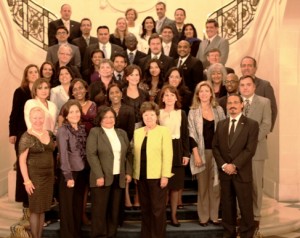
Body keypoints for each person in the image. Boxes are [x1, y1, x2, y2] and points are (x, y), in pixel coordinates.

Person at [212, 93, 259, 238]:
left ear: (241, 105)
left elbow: (250, 150)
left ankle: (246, 234)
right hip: (225, 173)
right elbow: (215, 147)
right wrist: (225, 165)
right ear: (226, 106)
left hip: (242, 172)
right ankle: (229, 232)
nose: (232, 105)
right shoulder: (221, 124)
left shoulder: (251, 124)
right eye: (229, 103)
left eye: (235, 102)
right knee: (227, 205)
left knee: (245, 206)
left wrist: (234, 165)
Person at [86, 106, 133, 238]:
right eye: (105, 117)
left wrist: (128, 172)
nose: (109, 119)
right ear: (100, 119)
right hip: (101, 178)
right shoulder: (95, 132)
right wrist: (99, 175)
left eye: (111, 117)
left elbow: (128, 154)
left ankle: (112, 234)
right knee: (99, 211)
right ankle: (99, 235)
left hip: (118, 177)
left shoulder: (122, 133)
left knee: (114, 210)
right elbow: (91, 154)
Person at [133, 101, 173, 238]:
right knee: (145, 210)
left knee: (157, 210)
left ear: (156, 116)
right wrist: (134, 174)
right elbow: (135, 155)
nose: (148, 117)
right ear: (142, 117)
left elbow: (168, 154)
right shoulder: (137, 132)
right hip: (141, 177)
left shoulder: (164, 131)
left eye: (151, 114)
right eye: (145, 115)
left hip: (157, 177)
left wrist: (165, 175)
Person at [188, 81, 226, 226]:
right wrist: (196, 154)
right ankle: (203, 217)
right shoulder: (193, 111)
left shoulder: (219, 110)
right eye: (201, 91)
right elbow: (191, 134)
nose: (204, 94)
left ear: (211, 93)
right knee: (203, 187)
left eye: (206, 91)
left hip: (218, 153)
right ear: (198, 94)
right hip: (201, 153)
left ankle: (214, 216)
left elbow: (224, 132)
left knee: (216, 186)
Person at [239, 75, 272, 233]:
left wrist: (251, 141)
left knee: (256, 186)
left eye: (248, 85)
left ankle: (256, 216)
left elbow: (266, 125)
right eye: (242, 85)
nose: (245, 88)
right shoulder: (235, 101)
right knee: (240, 184)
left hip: (257, 150)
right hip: (238, 152)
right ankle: (241, 215)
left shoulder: (264, 102)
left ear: (254, 87)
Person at [19, 107, 55, 238]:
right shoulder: (26, 137)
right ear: (30, 119)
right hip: (35, 177)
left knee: (43, 208)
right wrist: (27, 181)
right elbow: (22, 161)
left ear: (44, 118)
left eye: (40, 117)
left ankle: (39, 236)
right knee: (35, 209)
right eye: (35, 118)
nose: (38, 121)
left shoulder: (49, 134)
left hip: (49, 176)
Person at [9, 64, 39, 218]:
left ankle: (35, 196)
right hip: (22, 133)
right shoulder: (20, 91)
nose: (33, 74)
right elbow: (14, 113)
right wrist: (12, 132)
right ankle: (24, 198)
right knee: (23, 165)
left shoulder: (41, 91)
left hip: (38, 134)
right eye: (30, 72)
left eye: (36, 72)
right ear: (26, 75)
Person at [158, 85, 189, 227]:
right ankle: (161, 215)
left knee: (175, 187)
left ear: (176, 97)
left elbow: (184, 135)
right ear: (162, 98)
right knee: (163, 186)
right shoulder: (158, 113)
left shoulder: (181, 113)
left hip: (177, 149)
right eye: (166, 95)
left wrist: (186, 153)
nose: (169, 97)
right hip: (162, 150)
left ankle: (174, 216)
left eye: (172, 95)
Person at [56, 100, 87, 238]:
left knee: (77, 206)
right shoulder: (63, 130)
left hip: (81, 172)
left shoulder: (81, 128)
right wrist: (68, 177)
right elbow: (63, 155)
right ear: (66, 115)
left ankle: (76, 233)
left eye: (77, 111)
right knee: (67, 209)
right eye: (71, 112)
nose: (75, 114)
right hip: (69, 173)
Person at [240, 56, 277, 131]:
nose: (246, 68)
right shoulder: (238, 84)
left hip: (259, 133)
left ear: (255, 68)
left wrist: (267, 129)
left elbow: (273, 109)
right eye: (244, 66)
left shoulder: (265, 85)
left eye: (249, 65)